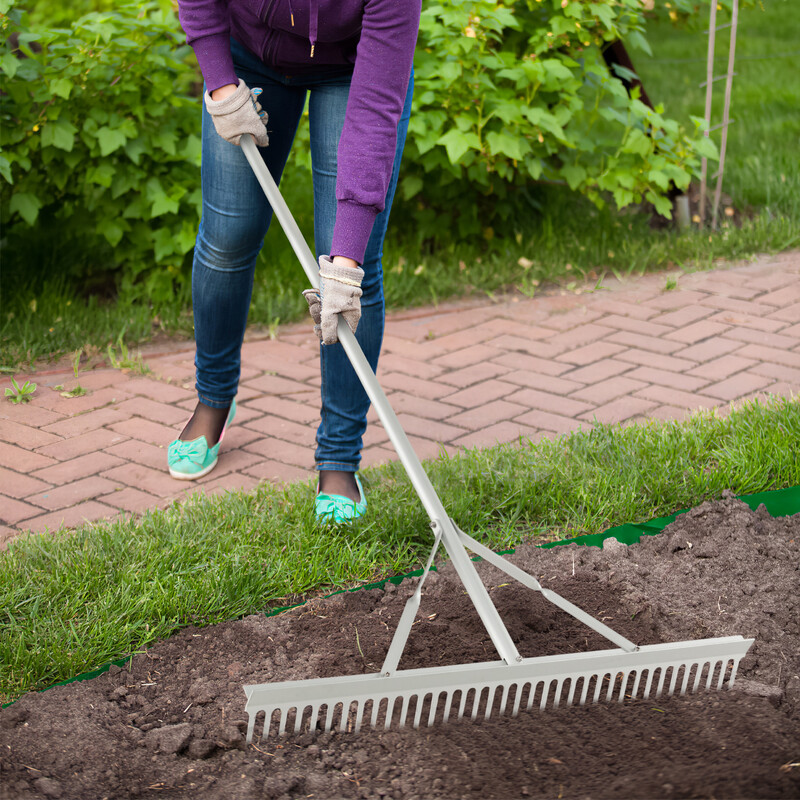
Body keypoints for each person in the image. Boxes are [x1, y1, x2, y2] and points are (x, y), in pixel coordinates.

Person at [169, 0, 421, 523]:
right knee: (227, 238)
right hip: (248, 60)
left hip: (353, 71)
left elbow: (376, 108)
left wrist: (346, 257)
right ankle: (213, 400)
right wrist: (219, 82)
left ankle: (338, 458)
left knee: (351, 270)